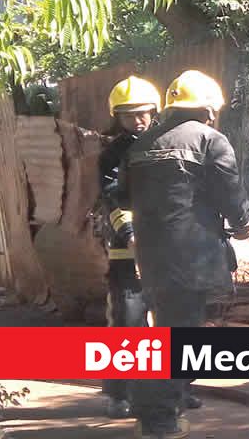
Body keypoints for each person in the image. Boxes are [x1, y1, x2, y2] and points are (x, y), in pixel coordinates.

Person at [120, 70, 249, 439]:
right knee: (178, 335)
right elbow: (230, 193)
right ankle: (159, 421)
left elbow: (123, 198)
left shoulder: (140, 145)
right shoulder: (212, 140)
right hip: (191, 256)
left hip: (150, 256)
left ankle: (167, 402)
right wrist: (246, 222)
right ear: (209, 109)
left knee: (170, 328)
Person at [98, 76, 160, 420]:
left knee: (170, 321)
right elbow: (112, 197)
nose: (137, 121)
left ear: (155, 112)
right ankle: (118, 393)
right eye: (128, 116)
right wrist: (132, 234)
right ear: (116, 118)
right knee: (128, 320)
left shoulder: (168, 144)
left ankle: (174, 388)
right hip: (127, 249)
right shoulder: (111, 155)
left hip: (165, 250)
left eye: (143, 114)